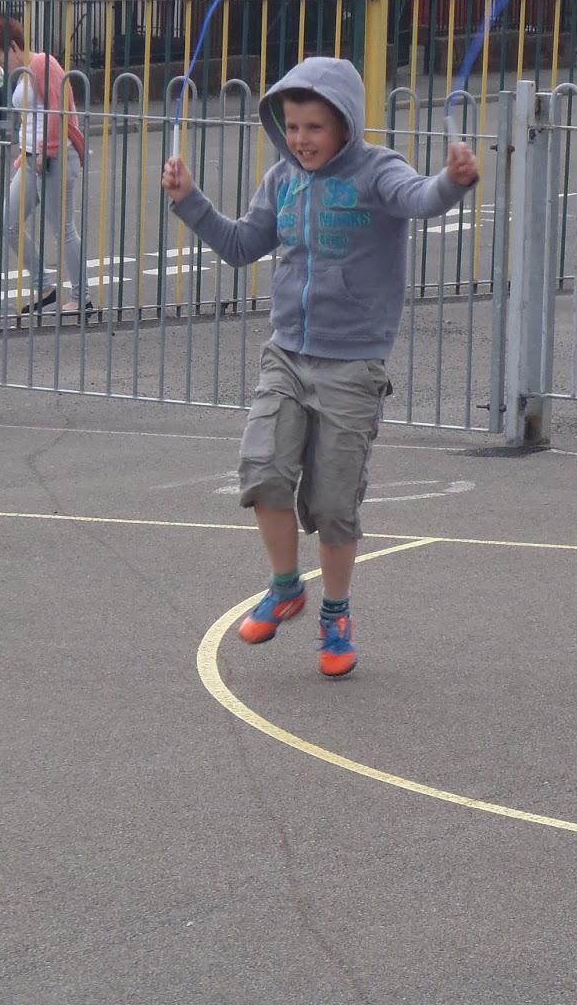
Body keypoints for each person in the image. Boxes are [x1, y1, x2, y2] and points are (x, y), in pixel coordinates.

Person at [161, 56, 478, 677]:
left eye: (314, 127)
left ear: (346, 124)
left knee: (334, 503)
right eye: (292, 126)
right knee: (263, 471)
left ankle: (336, 615)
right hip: (287, 352)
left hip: (353, 362)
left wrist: (454, 181)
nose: (302, 139)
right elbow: (240, 245)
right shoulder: (282, 179)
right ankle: (286, 589)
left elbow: (421, 201)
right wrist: (189, 199)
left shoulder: (377, 170)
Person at [0, 15, 92, 319]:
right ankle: (45, 284)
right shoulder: (26, 73)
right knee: (9, 223)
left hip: (54, 158)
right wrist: (26, 155)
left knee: (63, 228)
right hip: (33, 160)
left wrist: (46, 152)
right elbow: (33, 118)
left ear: (14, 46)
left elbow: (60, 112)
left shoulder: (44, 65)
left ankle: (81, 296)